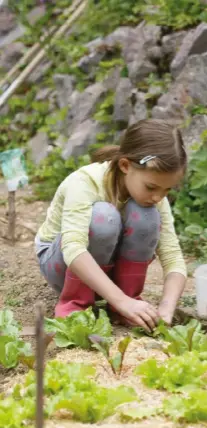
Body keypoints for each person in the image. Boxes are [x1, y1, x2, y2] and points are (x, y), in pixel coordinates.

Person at [34, 119, 188, 332]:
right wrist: (121, 300)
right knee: (104, 217)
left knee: (148, 217)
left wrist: (166, 308)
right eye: (151, 187)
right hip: (61, 263)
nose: (158, 197)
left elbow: (173, 258)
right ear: (125, 166)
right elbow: (73, 248)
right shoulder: (85, 182)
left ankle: (125, 303)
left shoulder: (154, 198)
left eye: (167, 190)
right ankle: (76, 305)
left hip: (106, 271)